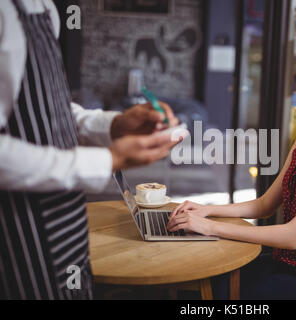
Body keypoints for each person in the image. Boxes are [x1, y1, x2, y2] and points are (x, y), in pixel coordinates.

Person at [0, 0, 181, 299]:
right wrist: (108, 159)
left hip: (65, 221)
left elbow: (49, 110)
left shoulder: (45, 9)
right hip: (17, 236)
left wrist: (114, 124)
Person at [168, 42, 296, 299]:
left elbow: (293, 236)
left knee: (216, 294)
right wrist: (206, 210)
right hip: (284, 265)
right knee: (201, 279)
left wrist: (209, 227)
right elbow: (265, 205)